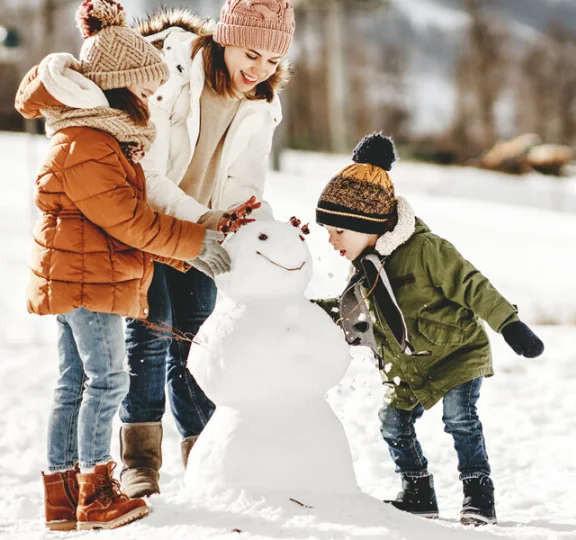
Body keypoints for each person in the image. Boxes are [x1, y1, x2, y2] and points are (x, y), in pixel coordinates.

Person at [14, 0, 231, 530]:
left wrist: (174, 254)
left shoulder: (97, 140)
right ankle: (96, 491)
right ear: (115, 86)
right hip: (89, 283)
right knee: (107, 381)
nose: (149, 102)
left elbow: (119, 226)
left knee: (74, 383)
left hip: (84, 275)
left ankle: (63, 502)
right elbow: (129, 220)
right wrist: (193, 242)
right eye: (142, 91)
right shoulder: (88, 143)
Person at [313, 133, 545, 526]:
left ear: (367, 223)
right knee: (393, 421)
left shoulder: (425, 250)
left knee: (459, 420)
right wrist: (301, 314)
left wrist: (510, 325)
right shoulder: (365, 267)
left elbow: (473, 285)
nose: (331, 239)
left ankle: (478, 495)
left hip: (456, 354)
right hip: (410, 367)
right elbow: (352, 315)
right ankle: (418, 492)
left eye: (339, 230)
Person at [118, 0, 295, 498]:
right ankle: (140, 464)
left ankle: (205, 455)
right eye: (251, 53)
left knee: (197, 342)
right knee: (152, 336)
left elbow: (245, 185)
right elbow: (147, 174)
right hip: (148, 223)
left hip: (204, 233)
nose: (259, 70)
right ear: (225, 39)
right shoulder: (171, 71)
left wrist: (262, 235)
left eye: (272, 61)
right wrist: (203, 223)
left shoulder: (261, 104)